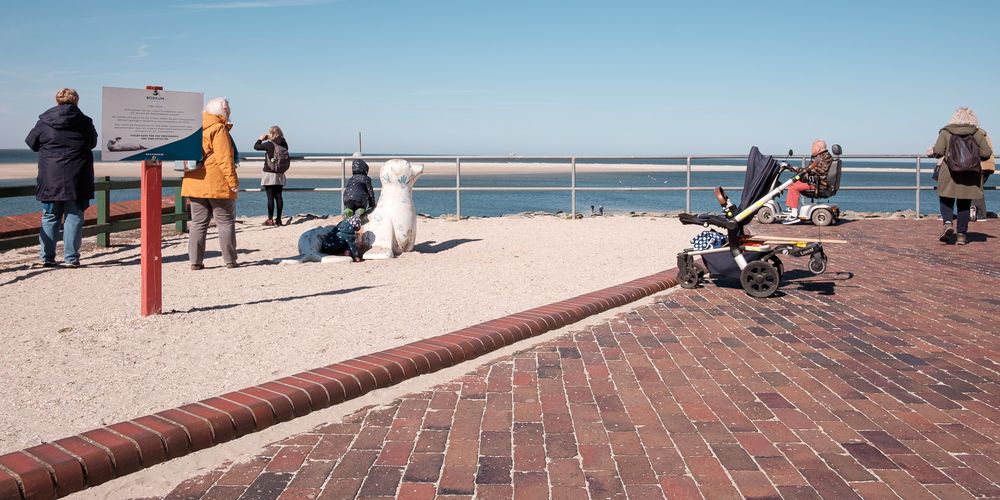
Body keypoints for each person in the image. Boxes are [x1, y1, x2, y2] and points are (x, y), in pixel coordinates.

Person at [24, 88, 98, 268]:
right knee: (74, 216)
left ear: (57, 100)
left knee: (50, 216)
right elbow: (93, 143)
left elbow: (31, 142)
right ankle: (71, 258)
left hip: (51, 177)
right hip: (77, 176)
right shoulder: (85, 122)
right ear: (76, 101)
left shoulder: (44, 122)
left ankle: (46, 257)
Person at [182, 97, 240, 269]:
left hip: (194, 181)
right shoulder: (218, 128)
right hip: (217, 183)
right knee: (225, 221)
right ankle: (230, 260)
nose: (229, 111)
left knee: (198, 223)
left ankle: (195, 261)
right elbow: (224, 159)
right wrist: (233, 181)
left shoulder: (196, 128)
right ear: (219, 110)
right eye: (227, 108)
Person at [931, 107, 992, 245]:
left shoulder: (946, 132)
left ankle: (947, 224)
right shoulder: (977, 133)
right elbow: (986, 153)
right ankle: (961, 235)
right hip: (970, 173)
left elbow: (939, 151)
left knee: (946, 198)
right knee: (964, 203)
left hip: (949, 172)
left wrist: (934, 151)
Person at [782, 139, 833, 224]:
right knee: (792, 183)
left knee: (794, 188)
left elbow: (817, 171)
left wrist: (801, 172)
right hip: (816, 181)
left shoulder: (824, 157)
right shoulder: (820, 156)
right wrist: (793, 168)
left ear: (818, 148)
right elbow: (809, 169)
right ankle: (791, 208)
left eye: (813, 147)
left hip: (818, 184)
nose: (811, 149)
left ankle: (793, 215)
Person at [253, 125, 289, 226]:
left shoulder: (268, 144)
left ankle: (270, 220)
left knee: (270, 198)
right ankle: (279, 219)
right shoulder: (283, 143)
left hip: (269, 173)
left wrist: (260, 139)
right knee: (279, 196)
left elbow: (256, 146)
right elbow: (284, 144)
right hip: (280, 173)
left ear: (271, 134)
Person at [971, 134, 994, 221]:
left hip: (981, 166)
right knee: (977, 188)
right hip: (987, 166)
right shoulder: (984, 135)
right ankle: (978, 213)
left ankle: (980, 214)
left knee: (976, 189)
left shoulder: (977, 134)